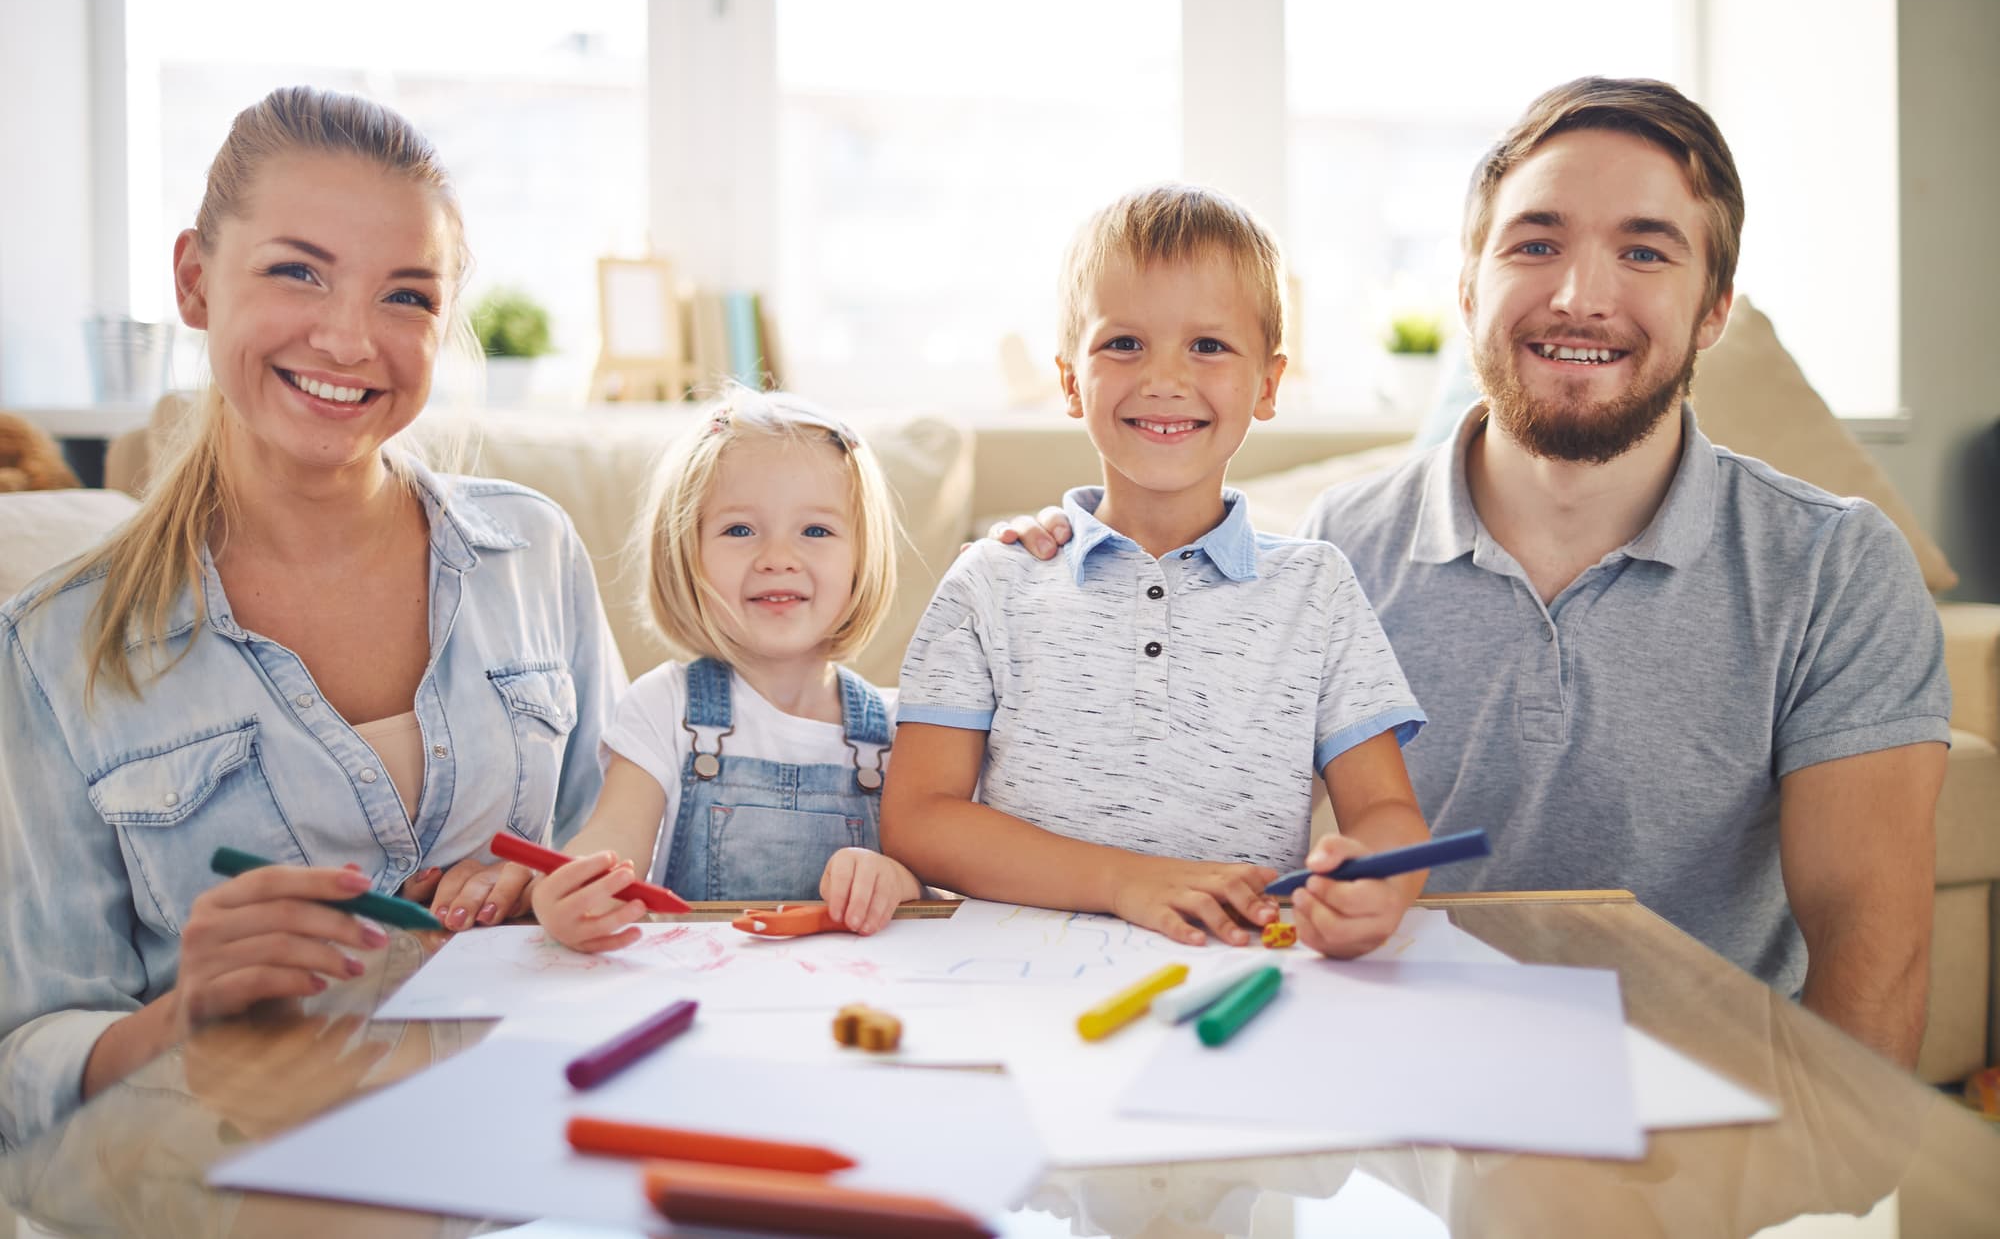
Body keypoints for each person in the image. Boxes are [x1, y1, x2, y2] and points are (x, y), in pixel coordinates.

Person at [992, 79, 1951, 1066]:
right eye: (1534, 244)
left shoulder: (1834, 566)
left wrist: (1842, 1189)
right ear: (1465, 289)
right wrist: (1059, 551)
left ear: (1711, 310)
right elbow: (1141, 743)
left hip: (1699, 1130)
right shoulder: (1337, 548)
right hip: (1396, 1108)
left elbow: (1866, 945)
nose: (1578, 295)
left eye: (1643, 250)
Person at [0, 87, 623, 1147]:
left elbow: (633, 857)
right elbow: (24, 1061)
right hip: (242, 1181)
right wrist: (180, 1013)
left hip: (535, 1152)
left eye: (406, 297)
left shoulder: (536, 556)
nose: (348, 340)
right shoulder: (55, 649)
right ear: (196, 281)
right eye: (297, 271)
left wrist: (560, 889)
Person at [880, 185, 1430, 959]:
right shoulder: (991, 582)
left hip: (1242, 970)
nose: (1164, 378)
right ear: (1071, 379)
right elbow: (919, 818)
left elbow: (1387, 813)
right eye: (1124, 344)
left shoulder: (1319, 589)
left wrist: (1377, 878)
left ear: (1267, 384)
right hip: (1013, 976)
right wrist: (1125, 881)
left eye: (1208, 345)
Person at [530, 389, 920, 951]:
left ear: (864, 559)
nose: (777, 557)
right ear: (687, 554)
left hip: (846, 1007)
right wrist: (571, 889)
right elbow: (610, 842)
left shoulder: (900, 729)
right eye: (740, 530)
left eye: (816, 531)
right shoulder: (664, 706)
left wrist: (899, 882)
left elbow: (941, 888)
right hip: (700, 1002)